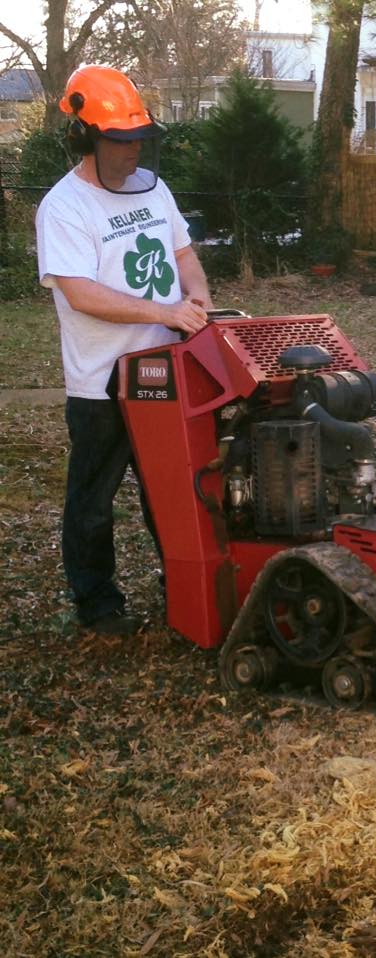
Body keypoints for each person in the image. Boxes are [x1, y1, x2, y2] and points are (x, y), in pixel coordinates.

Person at [36, 65, 213, 637]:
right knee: (93, 499)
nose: (132, 150)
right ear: (85, 137)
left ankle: (185, 587)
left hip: (167, 370)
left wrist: (199, 297)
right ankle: (97, 603)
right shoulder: (63, 208)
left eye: (138, 139)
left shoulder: (154, 188)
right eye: (119, 140)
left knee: (179, 488)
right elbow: (82, 293)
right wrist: (163, 312)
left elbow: (183, 254)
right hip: (102, 380)